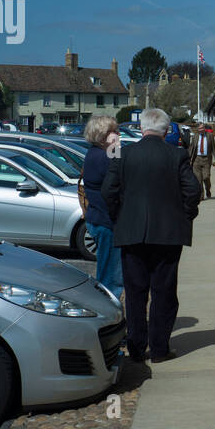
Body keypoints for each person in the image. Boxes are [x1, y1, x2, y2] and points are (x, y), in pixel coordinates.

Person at [103, 107, 201, 363]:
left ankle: (136, 349)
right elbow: (192, 191)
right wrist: (184, 216)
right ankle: (159, 349)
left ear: (141, 128)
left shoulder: (122, 153)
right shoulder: (176, 154)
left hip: (132, 233)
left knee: (135, 295)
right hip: (167, 235)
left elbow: (108, 192)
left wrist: (120, 218)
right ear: (167, 130)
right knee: (164, 293)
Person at [81, 115, 124, 299]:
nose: (118, 134)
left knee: (108, 271)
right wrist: (117, 149)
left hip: (98, 219)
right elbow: (122, 177)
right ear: (101, 136)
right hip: (106, 223)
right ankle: (109, 315)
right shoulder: (103, 157)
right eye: (113, 131)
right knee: (111, 277)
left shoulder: (94, 153)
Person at [188, 121, 215, 200]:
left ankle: (208, 190)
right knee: (198, 179)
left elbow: (214, 148)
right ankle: (201, 196)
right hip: (197, 160)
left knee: (206, 177)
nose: (201, 129)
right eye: (199, 128)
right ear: (197, 129)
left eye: (202, 128)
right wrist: (188, 159)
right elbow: (191, 149)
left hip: (207, 160)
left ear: (204, 128)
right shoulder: (195, 137)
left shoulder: (210, 136)